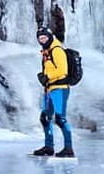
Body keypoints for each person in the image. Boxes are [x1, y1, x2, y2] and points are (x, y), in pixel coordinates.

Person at [32, 26, 75, 157]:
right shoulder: (46, 51)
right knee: (45, 117)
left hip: (60, 89)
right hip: (50, 89)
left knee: (60, 119)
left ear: (49, 37)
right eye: (40, 38)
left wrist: (47, 76)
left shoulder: (56, 50)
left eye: (44, 37)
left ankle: (69, 149)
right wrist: (44, 78)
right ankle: (49, 147)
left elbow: (63, 70)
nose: (42, 40)